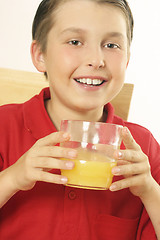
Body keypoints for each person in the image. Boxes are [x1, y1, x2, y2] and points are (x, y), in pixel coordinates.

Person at [0, 0, 160, 239]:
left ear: (127, 60)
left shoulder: (140, 147)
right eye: (75, 42)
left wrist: (149, 191)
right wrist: (13, 177)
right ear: (40, 54)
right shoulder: (4, 126)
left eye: (112, 45)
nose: (96, 60)